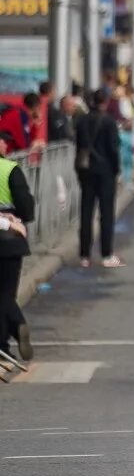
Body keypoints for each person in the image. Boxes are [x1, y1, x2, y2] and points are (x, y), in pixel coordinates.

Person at [75, 87, 123, 269]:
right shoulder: (109, 122)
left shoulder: (82, 120)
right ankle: (106, 254)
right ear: (106, 102)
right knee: (106, 214)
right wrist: (116, 170)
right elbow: (113, 149)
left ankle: (84, 255)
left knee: (86, 212)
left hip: (86, 171)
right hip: (105, 172)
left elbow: (79, 146)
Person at [0, 148, 36, 372]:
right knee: (6, 294)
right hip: (11, 241)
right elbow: (26, 206)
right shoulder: (10, 169)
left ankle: (5, 342)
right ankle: (15, 324)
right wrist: (13, 220)